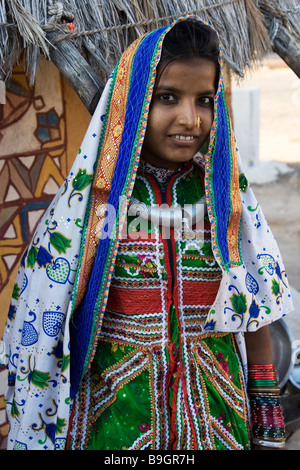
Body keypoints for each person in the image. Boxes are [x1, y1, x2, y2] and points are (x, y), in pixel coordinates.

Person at [0, 16, 293, 451]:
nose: (190, 118)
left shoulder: (224, 194)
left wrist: (266, 407)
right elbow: (44, 306)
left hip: (214, 411)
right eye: (168, 97)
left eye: (206, 100)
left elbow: (254, 299)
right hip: (116, 412)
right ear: (132, 101)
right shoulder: (95, 201)